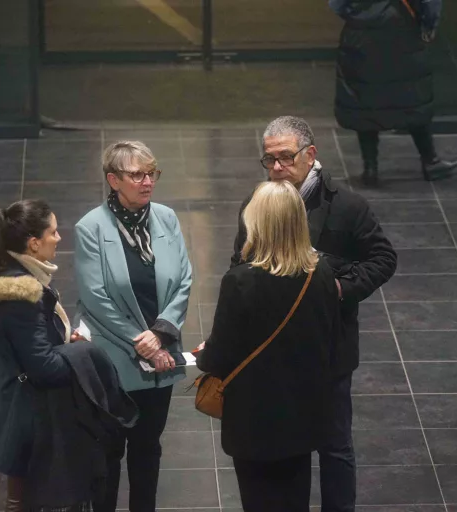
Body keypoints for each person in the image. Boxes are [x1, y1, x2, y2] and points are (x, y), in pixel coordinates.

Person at [232, 116, 397, 512]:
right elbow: (239, 262)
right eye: (269, 160)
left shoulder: (347, 206)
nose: (276, 168)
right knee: (288, 447)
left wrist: (339, 288)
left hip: (328, 351)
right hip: (277, 352)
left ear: (310, 154)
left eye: (285, 158)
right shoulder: (258, 203)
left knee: (335, 446)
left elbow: (383, 258)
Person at [198, 180, 342, 511]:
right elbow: (329, 339)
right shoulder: (321, 273)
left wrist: (204, 354)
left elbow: (219, 357)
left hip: (254, 422)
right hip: (304, 415)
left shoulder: (240, 281)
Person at [0, 199, 112, 512]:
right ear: (34, 243)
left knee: (21, 495)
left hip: (15, 402)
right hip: (29, 412)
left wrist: (64, 340)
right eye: (53, 232)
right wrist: (81, 352)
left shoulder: (9, 276)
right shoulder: (22, 296)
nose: (59, 238)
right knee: (28, 500)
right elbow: (44, 367)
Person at [74, 141, 193, 512]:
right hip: (115, 361)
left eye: (151, 173)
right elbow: (95, 298)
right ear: (113, 180)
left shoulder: (167, 218)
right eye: (137, 175)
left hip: (162, 355)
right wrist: (142, 343)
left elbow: (184, 280)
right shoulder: (90, 228)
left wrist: (161, 334)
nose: (147, 182)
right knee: (109, 451)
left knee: (148, 449)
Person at [330, 0, 457, 184]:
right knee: (413, 94)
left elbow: (337, 4)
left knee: (365, 97)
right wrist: (429, 24)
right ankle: (430, 162)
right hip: (402, 27)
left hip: (360, 32)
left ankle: (370, 169)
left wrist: (356, 15)